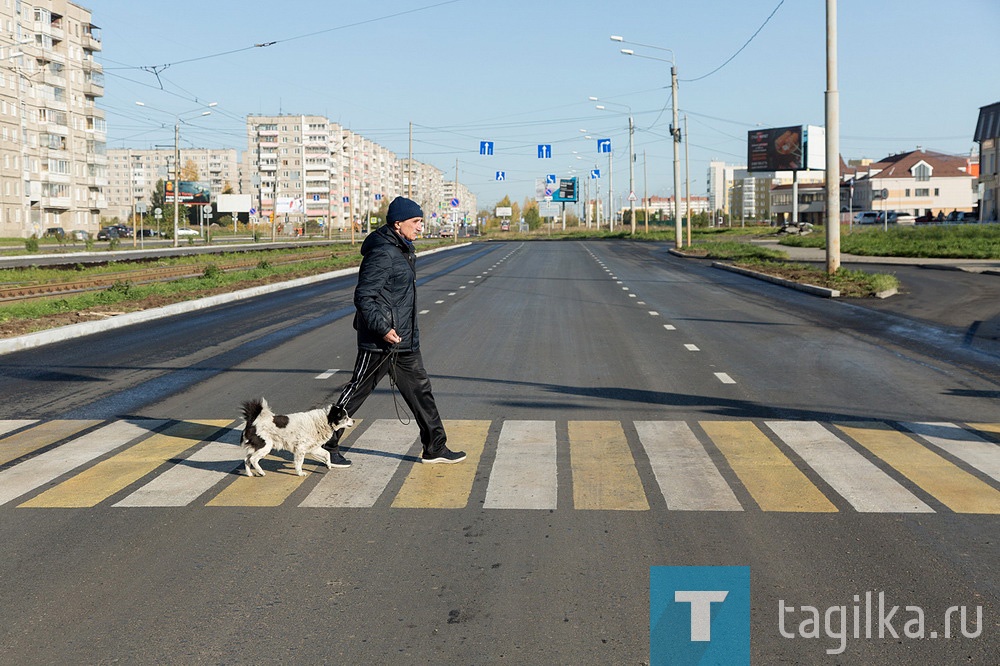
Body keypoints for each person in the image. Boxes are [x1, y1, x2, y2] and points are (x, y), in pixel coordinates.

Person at [322, 196, 466, 467]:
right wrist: (384, 328)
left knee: (421, 391)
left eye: (421, 221)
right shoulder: (383, 252)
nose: (421, 227)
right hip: (380, 341)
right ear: (398, 223)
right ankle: (324, 442)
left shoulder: (402, 249)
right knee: (356, 392)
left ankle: (435, 447)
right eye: (416, 222)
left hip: (404, 341)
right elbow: (364, 296)